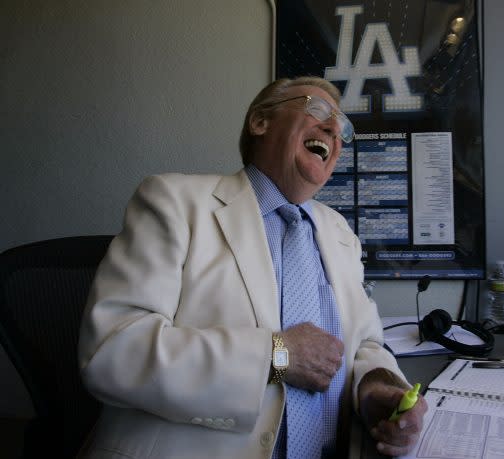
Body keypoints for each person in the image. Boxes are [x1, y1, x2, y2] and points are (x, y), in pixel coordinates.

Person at [78, 76, 427, 459]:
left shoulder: (340, 233)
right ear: (260, 121)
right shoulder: (174, 202)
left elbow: (367, 344)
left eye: (342, 127)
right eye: (317, 110)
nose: (333, 129)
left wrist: (376, 387)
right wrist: (277, 356)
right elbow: (113, 352)